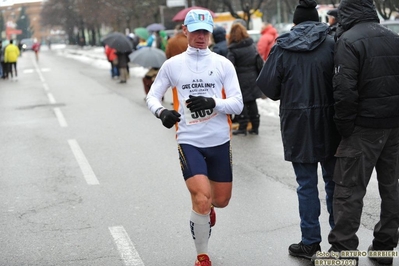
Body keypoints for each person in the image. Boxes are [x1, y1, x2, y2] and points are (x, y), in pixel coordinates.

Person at [146, 9, 243, 266]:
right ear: (185, 31)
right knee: (201, 198)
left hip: (219, 139)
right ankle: (202, 256)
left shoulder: (223, 64)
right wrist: (162, 111)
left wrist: (214, 102)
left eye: (206, 32)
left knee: (220, 200)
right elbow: (152, 96)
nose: (201, 36)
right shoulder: (173, 65)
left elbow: (238, 104)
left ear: (210, 33)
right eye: (196, 31)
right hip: (189, 140)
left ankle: (209, 208)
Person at [256, 0, 340, 260]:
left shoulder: (283, 47)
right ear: (318, 20)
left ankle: (310, 242)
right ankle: (340, 243)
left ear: (294, 23)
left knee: (306, 185)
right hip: (331, 121)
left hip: (297, 124)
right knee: (335, 184)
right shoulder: (333, 43)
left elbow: (268, 88)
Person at [318, 0, 399, 264]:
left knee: (348, 191)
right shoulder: (393, 37)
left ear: (346, 12)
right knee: (392, 189)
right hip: (394, 127)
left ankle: (344, 252)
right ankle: (385, 248)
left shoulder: (349, 40)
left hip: (363, 128)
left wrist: (344, 128)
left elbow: (344, 90)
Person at [227, 23, 263, 136]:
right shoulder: (251, 45)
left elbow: (230, 66)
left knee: (241, 102)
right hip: (253, 77)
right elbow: (258, 61)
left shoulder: (233, 49)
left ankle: (243, 126)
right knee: (252, 102)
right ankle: (255, 127)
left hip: (240, 78)